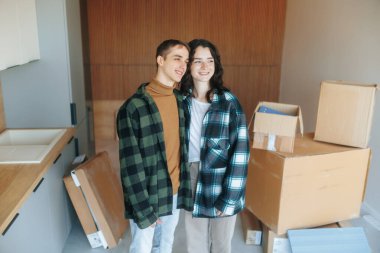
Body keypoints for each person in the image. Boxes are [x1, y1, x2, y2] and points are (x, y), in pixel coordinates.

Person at [116, 39, 193, 253]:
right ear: (160, 60)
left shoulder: (180, 102)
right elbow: (129, 166)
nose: (182, 66)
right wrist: (142, 210)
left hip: (174, 190)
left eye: (186, 61)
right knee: (142, 248)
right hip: (148, 194)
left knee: (164, 246)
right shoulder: (133, 108)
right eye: (177, 59)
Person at [180, 39, 250, 253]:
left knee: (221, 244)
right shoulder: (180, 100)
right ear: (188, 66)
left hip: (222, 179)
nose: (204, 67)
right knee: (195, 243)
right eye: (198, 61)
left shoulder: (229, 102)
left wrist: (230, 198)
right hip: (191, 175)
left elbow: (241, 152)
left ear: (215, 65)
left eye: (209, 61)